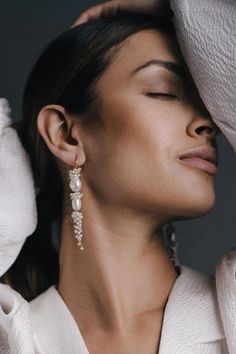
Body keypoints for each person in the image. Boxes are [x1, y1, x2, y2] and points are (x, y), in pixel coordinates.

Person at [0, 2, 235, 354]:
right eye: (162, 91)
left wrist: (180, 6)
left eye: (208, 101)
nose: (208, 123)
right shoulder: (14, 336)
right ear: (65, 134)